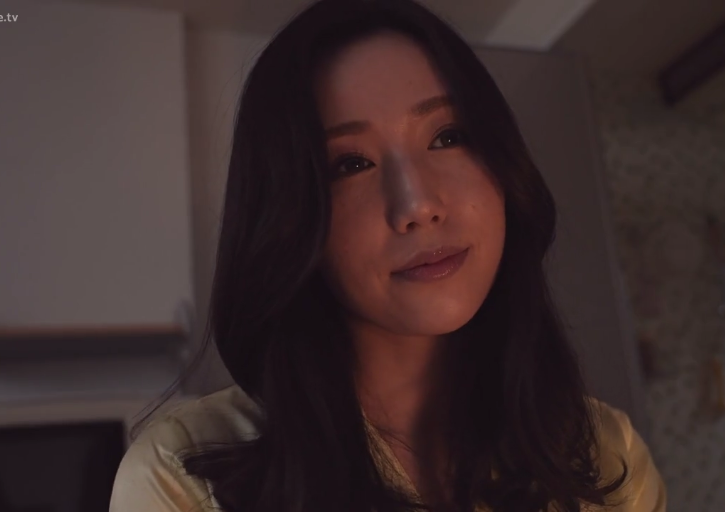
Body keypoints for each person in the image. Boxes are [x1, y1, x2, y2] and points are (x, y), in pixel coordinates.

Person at [110, 0, 667, 510]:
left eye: (448, 136)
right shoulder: (179, 482)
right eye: (350, 164)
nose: (418, 205)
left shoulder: (603, 455)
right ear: (289, 217)